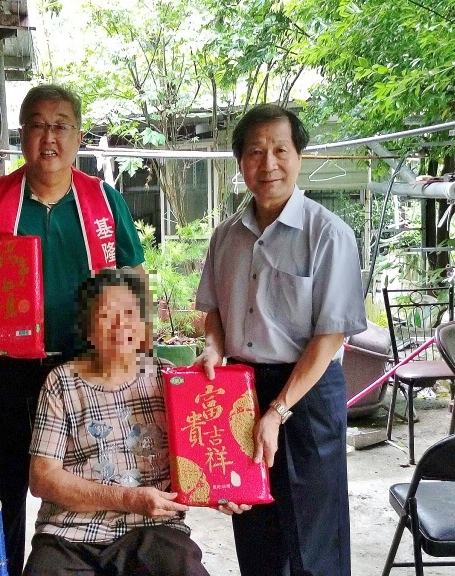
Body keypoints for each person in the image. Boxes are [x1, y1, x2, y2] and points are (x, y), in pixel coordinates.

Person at [0, 84, 145, 575]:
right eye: (37, 124)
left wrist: (135, 348)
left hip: (88, 376)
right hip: (5, 371)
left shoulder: (104, 200)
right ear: (23, 134)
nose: (49, 136)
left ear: (78, 135)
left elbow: (135, 277)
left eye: (61, 125)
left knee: (88, 497)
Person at [194, 104, 367, 576]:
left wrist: (279, 410)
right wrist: (212, 347)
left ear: (299, 155)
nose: (268, 163)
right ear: (240, 163)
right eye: (255, 152)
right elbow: (212, 312)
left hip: (306, 395)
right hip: (241, 392)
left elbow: (331, 336)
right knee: (255, 531)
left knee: (314, 537)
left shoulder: (329, 234)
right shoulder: (225, 237)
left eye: (279, 150)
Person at [25, 269, 245, 576]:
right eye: (106, 315)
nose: (120, 325)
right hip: (70, 534)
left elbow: (204, 456)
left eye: (129, 313)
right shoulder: (61, 383)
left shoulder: (167, 379)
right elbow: (43, 479)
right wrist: (128, 499)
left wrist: (223, 491)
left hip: (153, 529)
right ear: (87, 328)